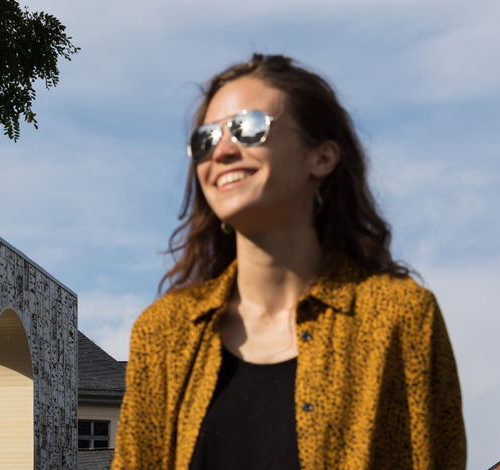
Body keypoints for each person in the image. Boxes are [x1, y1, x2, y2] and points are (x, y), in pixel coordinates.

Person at [111, 54, 466, 470]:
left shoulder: (401, 318)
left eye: (247, 128)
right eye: (206, 139)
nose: (222, 150)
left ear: (322, 157)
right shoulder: (162, 334)